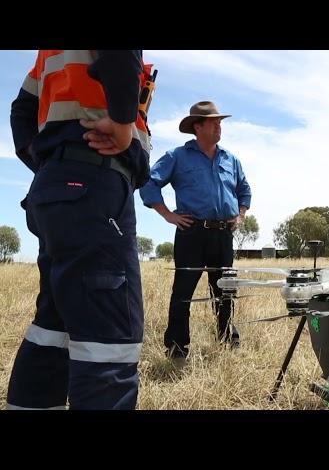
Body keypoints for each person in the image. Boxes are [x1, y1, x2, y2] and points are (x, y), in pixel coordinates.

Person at [7, 50, 154, 409]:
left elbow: (21, 111)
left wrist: (49, 163)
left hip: (57, 188)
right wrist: (122, 127)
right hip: (96, 183)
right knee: (108, 341)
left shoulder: (49, 56)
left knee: (52, 329)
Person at [139, 100, 251, 361]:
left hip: (224, 234)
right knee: (183, 292)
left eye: (220, 122)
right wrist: (168, 215)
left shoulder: (230, 159)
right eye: (214, 122)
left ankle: (226, 339)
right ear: (197, 127)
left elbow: (244, 189)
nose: (219, 126)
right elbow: (148, 184)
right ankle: (177, 347)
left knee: (225, 289)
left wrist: (241, 214)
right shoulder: (177, 156)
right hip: (192, 233)